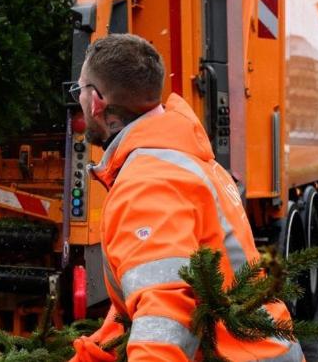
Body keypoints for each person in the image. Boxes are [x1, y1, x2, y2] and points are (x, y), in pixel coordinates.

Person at [68, 34, 303, 361]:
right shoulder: (185, 160)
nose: (76, 100)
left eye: (77, 90)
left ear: (96, 101)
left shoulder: (147, 182)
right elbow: (143, 300)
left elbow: (165, 316)